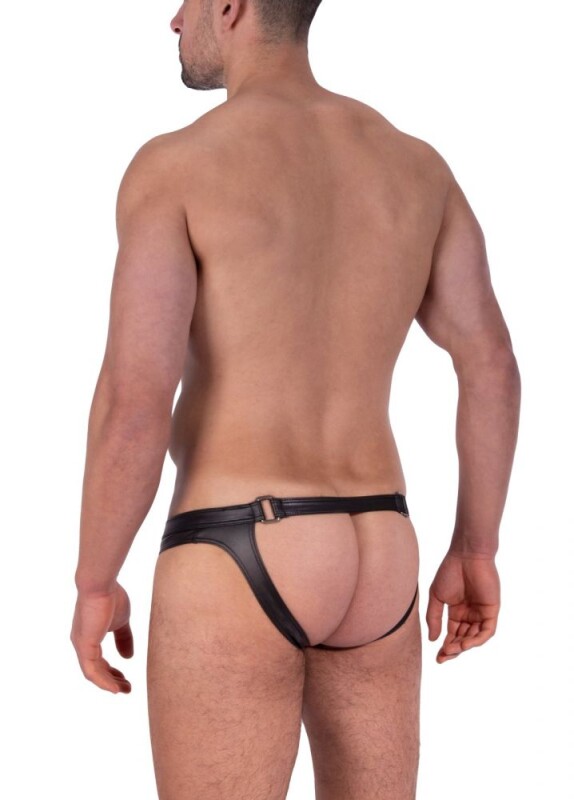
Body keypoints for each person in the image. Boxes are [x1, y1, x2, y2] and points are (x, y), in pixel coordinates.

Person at [70, 1, 521, 798]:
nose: (174, 21)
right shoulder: (416, 166)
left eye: (186, 1)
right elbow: (490, 365)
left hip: (237, 546)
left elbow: (136, 401)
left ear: (230, 7)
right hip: (380, 546)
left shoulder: (177, 166)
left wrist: (95, 582)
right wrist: (476, 549)